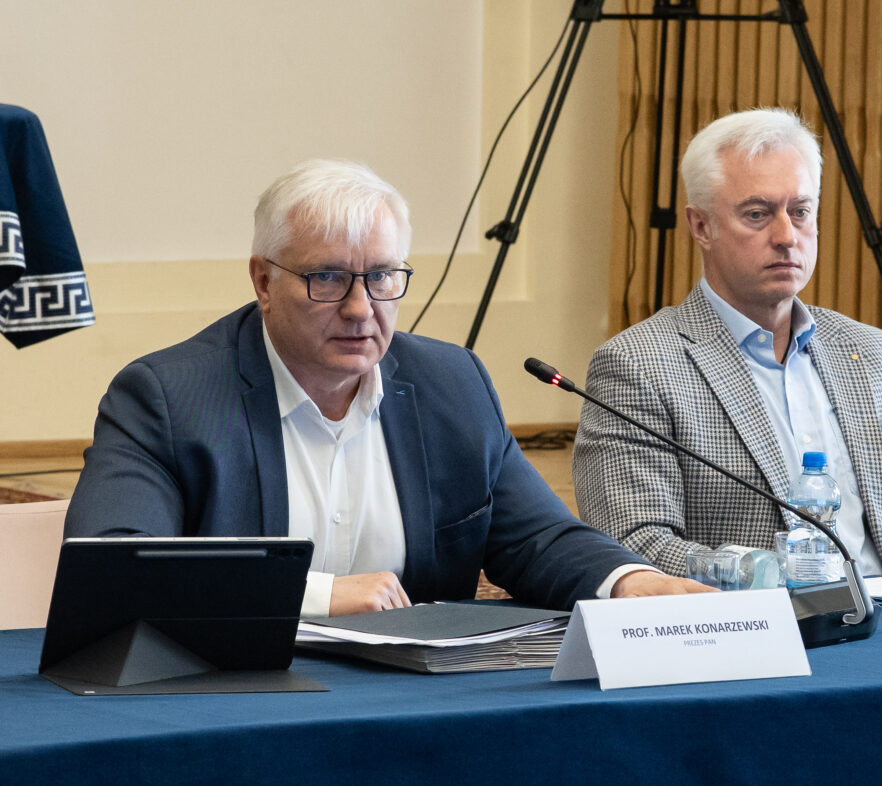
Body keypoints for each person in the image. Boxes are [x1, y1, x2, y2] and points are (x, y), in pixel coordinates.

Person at [67, 159, 711, 612]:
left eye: (381, 277)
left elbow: (535, 538)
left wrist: (627, 581)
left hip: (414, 704)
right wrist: (319, 594)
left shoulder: (451, 384)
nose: (360, 308)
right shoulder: (168, 397)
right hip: (233, 694)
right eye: (326, 278)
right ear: (264, 281)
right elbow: (115, 567)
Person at [573, 108, 882, 579]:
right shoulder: (639, 366)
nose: (787, 236)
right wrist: (768, 584)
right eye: (757, 214)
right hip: (750, 619)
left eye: (800, 212)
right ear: (701, 226)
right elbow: (635, 542)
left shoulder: (878, 354)